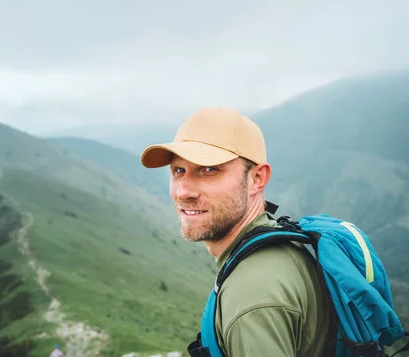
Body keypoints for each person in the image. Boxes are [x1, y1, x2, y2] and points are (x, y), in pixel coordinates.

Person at [140, 107, 336, 357]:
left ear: (257, 178)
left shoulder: (253, 296)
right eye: (179, 171)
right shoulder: (279, 250)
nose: (183, 191)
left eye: (209, 169)